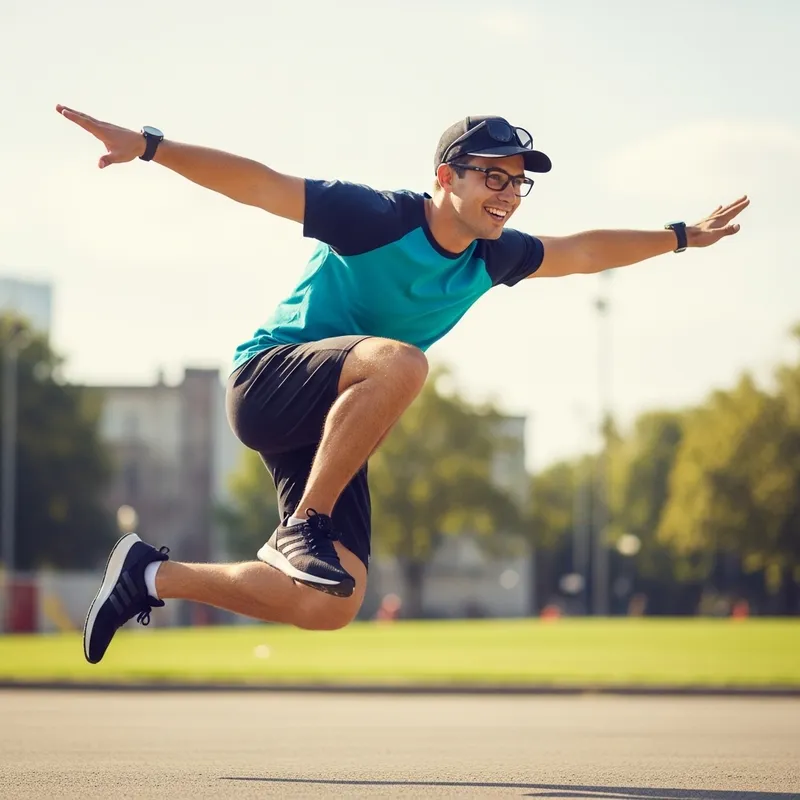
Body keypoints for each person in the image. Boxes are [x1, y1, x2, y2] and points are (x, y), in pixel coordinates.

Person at [56, 105, 749, 664]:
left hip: (331, 421)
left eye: (517, 183)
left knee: (334, 601)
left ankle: (147, 575)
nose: (507, 196)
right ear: (447, 176)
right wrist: (150, 145)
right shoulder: (376, 217)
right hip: (269, 381)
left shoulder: (495, 256)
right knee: (404, 364)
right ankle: (303, 526)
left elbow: (585, 250)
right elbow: (260, 183)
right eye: (492, 178)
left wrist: (681, 236)